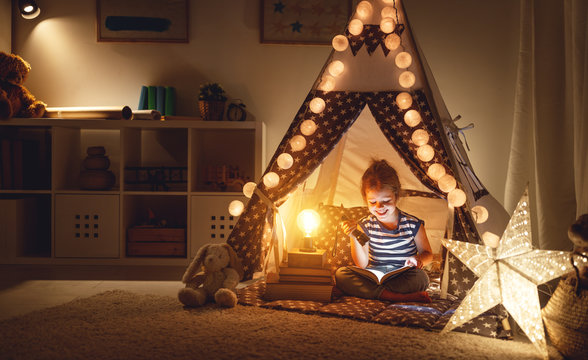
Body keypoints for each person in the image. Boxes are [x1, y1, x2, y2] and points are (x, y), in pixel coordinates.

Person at [335, 159, 433, 303]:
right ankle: (396, 297)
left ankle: (374, 293)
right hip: (374, 276)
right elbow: (361, 264)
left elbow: (428, 254)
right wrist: (353, 236)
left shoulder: (413, 224)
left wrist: (418, 260)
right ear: (365, 199)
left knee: (421, 278)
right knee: (341, 274)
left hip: (401, 276)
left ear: (396, 196)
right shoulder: (364, 225)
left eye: (386, 201)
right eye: (373, 202)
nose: (379, 207)